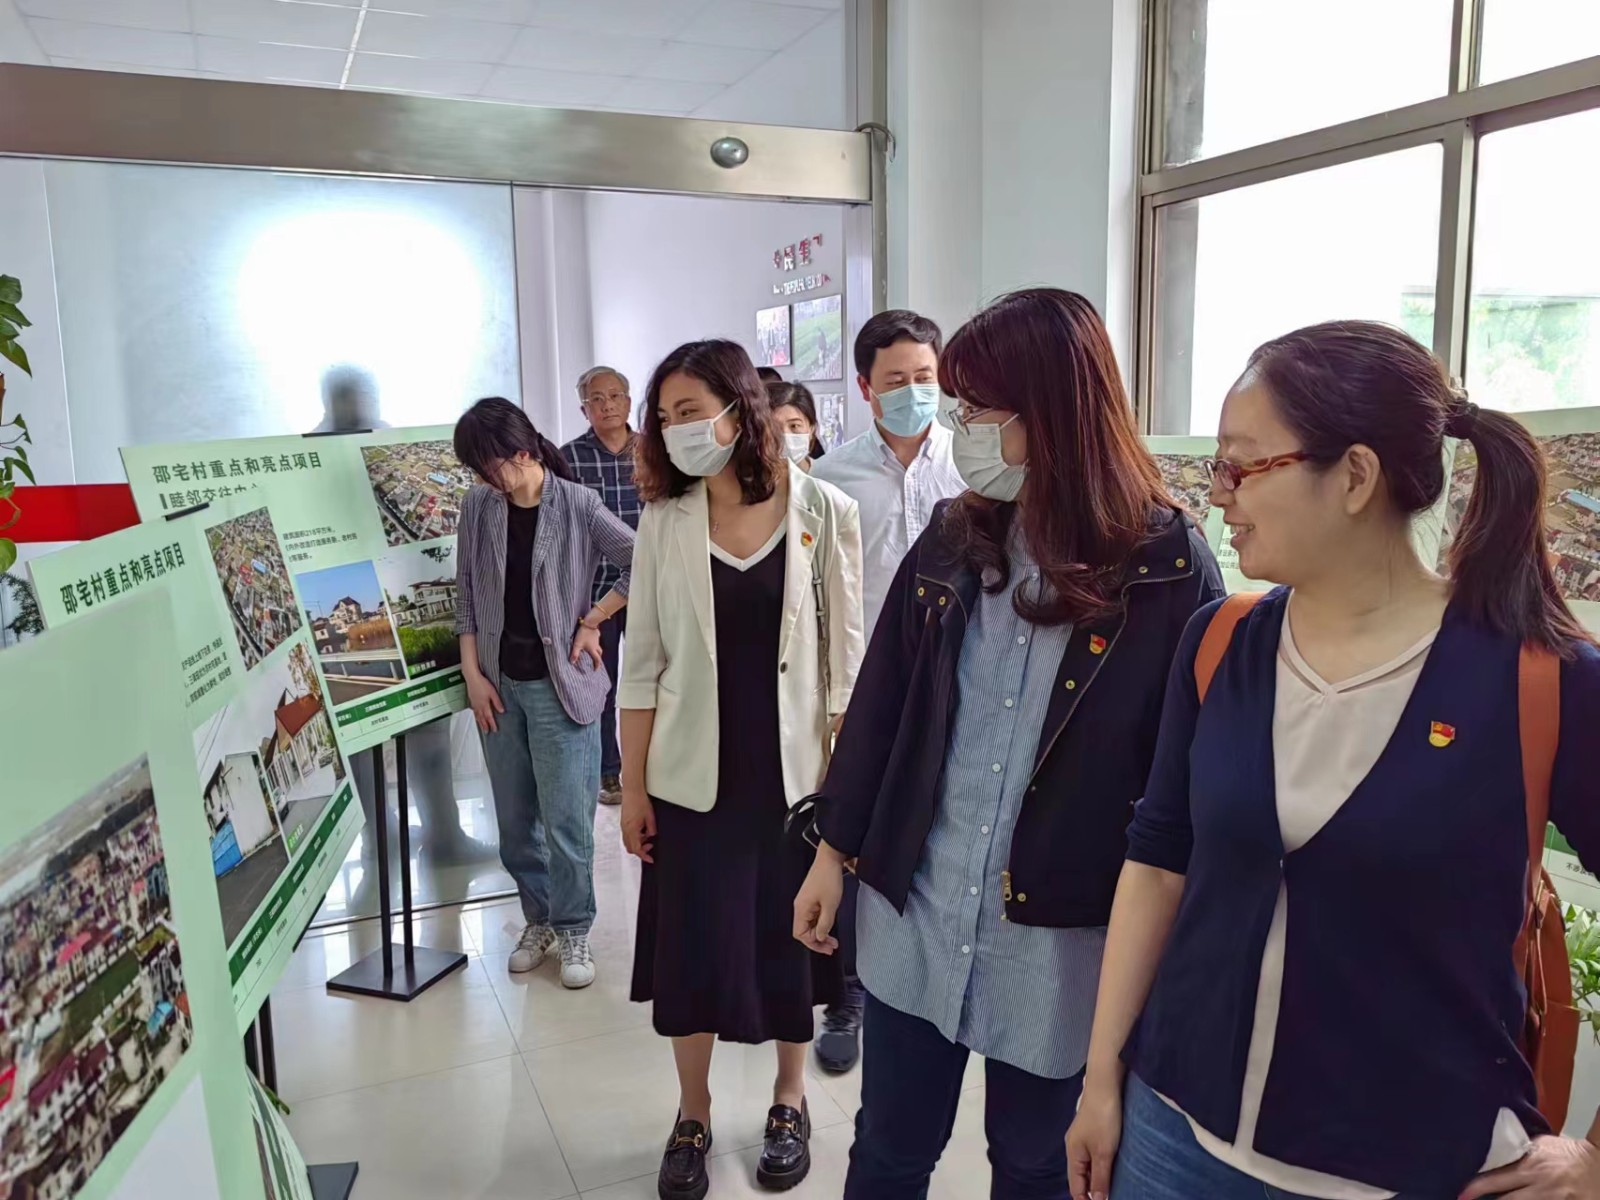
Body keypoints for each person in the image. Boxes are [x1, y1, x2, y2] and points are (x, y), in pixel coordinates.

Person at [1065, 320, 1600, 1200]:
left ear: (1355, 476)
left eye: (1242, 466)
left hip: (1406, 1168)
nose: (1218, 495)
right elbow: (1158, 864)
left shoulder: (1538, 677)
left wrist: (1595, 1157)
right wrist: (1100, 1080)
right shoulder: (1223, 640)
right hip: (1174, 1137)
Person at [792, 288, 1223, 1200]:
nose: (960, 428)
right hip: (920, 906)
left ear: (1053, 412)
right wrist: (832, 851)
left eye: (979, 409)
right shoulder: (956, 534)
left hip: (1062, 942)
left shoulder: (1167, 566)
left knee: (1035, 1167)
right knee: (889, 1151)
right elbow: (882, 707)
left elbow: (1183, 786)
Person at [618, 340, 865, 1199]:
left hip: (793, 784)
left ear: (738, 409)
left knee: (793, 947)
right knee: (691, 952)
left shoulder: (824, 509)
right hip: (692, 782)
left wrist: (844, 799)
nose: (676, 429)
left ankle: (790, 1101)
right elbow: (641, 665)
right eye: (664, 417)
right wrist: (634, 785)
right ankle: (692, 1113)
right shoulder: (665, 519)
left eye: (690, 411)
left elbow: (845, 668)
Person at [807, 308, 967, 1074]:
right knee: (853, 837)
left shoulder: (972, 465)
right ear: (866, 389)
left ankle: (937, 982)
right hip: (863, 695)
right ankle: (848, 994)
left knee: (942, 836)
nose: (913, 391)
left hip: (959, 689)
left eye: (925, 377)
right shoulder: (829, 478)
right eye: (896, 380)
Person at [453, 397, 636, 989]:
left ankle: (574, 926)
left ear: (523, 452)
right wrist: (473, 674)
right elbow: (465, 593)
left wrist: (595, 619)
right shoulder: (480, 506)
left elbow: (643, 560)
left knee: (567, 825)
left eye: (487, 465)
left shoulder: (578, 503)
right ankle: (540, 920)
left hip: (562, 689)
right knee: (515, 823)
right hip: (499, 687)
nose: (483, 478)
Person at [308, 366, 489, 894]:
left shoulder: (394, 446)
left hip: (401, 599)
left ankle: (443, 833)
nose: (359, 403)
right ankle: (382, 839)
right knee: (364, 737)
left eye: (364, 394)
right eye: (351, 396)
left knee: (428, 733)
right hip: (358, 609)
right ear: (331, 400)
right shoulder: (308, 455)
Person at [561, 366, 642, 807]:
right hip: (595, 594)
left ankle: (650, 771)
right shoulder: (568, 459)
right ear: (584, 409)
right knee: (600, 684)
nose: (607, 405)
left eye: (615, 396)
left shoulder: (656, 451)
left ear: (628, 401)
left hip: (650, 587)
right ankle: (609, 772)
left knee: (651, 680)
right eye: (597, 399)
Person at [767, 380, 826, 471]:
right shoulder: (749, 478)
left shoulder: (827, 476)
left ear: (811, 429)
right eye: (774, 427)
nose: (785, 434)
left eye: (794, 425)